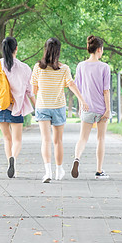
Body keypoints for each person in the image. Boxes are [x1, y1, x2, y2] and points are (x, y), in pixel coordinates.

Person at [31, 38, 89, 183]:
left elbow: (34, 90)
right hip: (58, 107)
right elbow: (71, 85)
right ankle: (59, 170)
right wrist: (82, 101)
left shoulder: (38, 67)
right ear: (58, 51)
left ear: (45, 49)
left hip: (43, 106)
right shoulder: (64, 68)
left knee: (45, 140)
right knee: (58, 141)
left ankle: (48, 172)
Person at [0, 36, 36, 178]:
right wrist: (37, 107)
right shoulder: (25, 68)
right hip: (16, 108)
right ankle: (13, 160)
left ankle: (9, 163)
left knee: (6, 138)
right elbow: (30, 91)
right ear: (16, 48)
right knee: (17, 140)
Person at [71, 36, 111, 179]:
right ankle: (99, 170)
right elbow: (106, 91)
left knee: (83, 138)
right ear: (99, 50)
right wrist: (108, 109)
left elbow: (77, 87)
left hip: (87, 108)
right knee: (101, 139)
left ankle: (77, 158)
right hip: (101, 109)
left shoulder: (81, 66)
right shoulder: (104, 67)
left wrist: (81, 103)